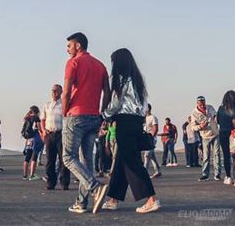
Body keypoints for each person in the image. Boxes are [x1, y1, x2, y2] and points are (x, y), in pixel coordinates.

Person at [100, 48, 161, 214]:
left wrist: (103, 116)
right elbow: (142, 105)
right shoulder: (138, 79)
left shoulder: (121, 79)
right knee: (121, 161)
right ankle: (113, 199)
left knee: (132, 162)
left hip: (125, 123)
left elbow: (115, 104)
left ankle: (151, 199)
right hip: (137, 122)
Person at [61, 32, 110, 214]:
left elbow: (66, 92)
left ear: (78, 45)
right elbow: (107, 90)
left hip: (76, 116)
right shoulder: (100, 65)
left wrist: (65, 113)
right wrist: (102, 113)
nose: (67, 49)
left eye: (69, 46)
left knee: (68, 157)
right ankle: (81, 203)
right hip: (93, 116)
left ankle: (95, 187)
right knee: (86, 160)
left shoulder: (73, 63)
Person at [40, 84, 70, 190]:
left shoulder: (64, 104)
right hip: (50, 134)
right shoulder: (47, 104)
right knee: (50, 160)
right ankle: (50, 182)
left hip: (61, 134)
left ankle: (64, 183)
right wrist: (43, 131)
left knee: (63, 160)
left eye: (56, 91)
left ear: (61, 92)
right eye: (53, 91)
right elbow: (42, 119)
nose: (54, 93)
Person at [192, 95, 221, 181]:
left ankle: (217, 174)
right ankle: (205, 174)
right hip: (205, 136)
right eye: (200, 104)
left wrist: (215, 118)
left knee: (217, 154)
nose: (202, 105)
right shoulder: (194, 113)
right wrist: (200, 126)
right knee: (206, 156)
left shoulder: (210, 107)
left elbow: (215, 115)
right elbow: (193, 127)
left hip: (215, 133)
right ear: (197, 103)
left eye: (203, 103)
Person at [217, 90, 235, 185]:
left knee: (226, 155)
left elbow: (218, 121)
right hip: (234, 134)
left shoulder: (220, 108)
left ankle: (228, 176)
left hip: (223, 132)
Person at [21, 107, 43, 180]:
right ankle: (32, 175)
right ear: (37, 111)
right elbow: (39, 128)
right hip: (36, 138)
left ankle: (25, 175)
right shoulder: (36, 118)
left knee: (27, 157)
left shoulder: (27, 118)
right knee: (34, 157)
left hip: (29, 139)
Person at [142, 104, 162, 178]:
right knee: (152, 155)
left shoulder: (153, 117)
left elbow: (155, 128)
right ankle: (158, 171)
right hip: (145, 138)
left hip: (151, 138)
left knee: (147, 155)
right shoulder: (143, 118)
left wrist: (152, 138)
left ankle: (144, 173)